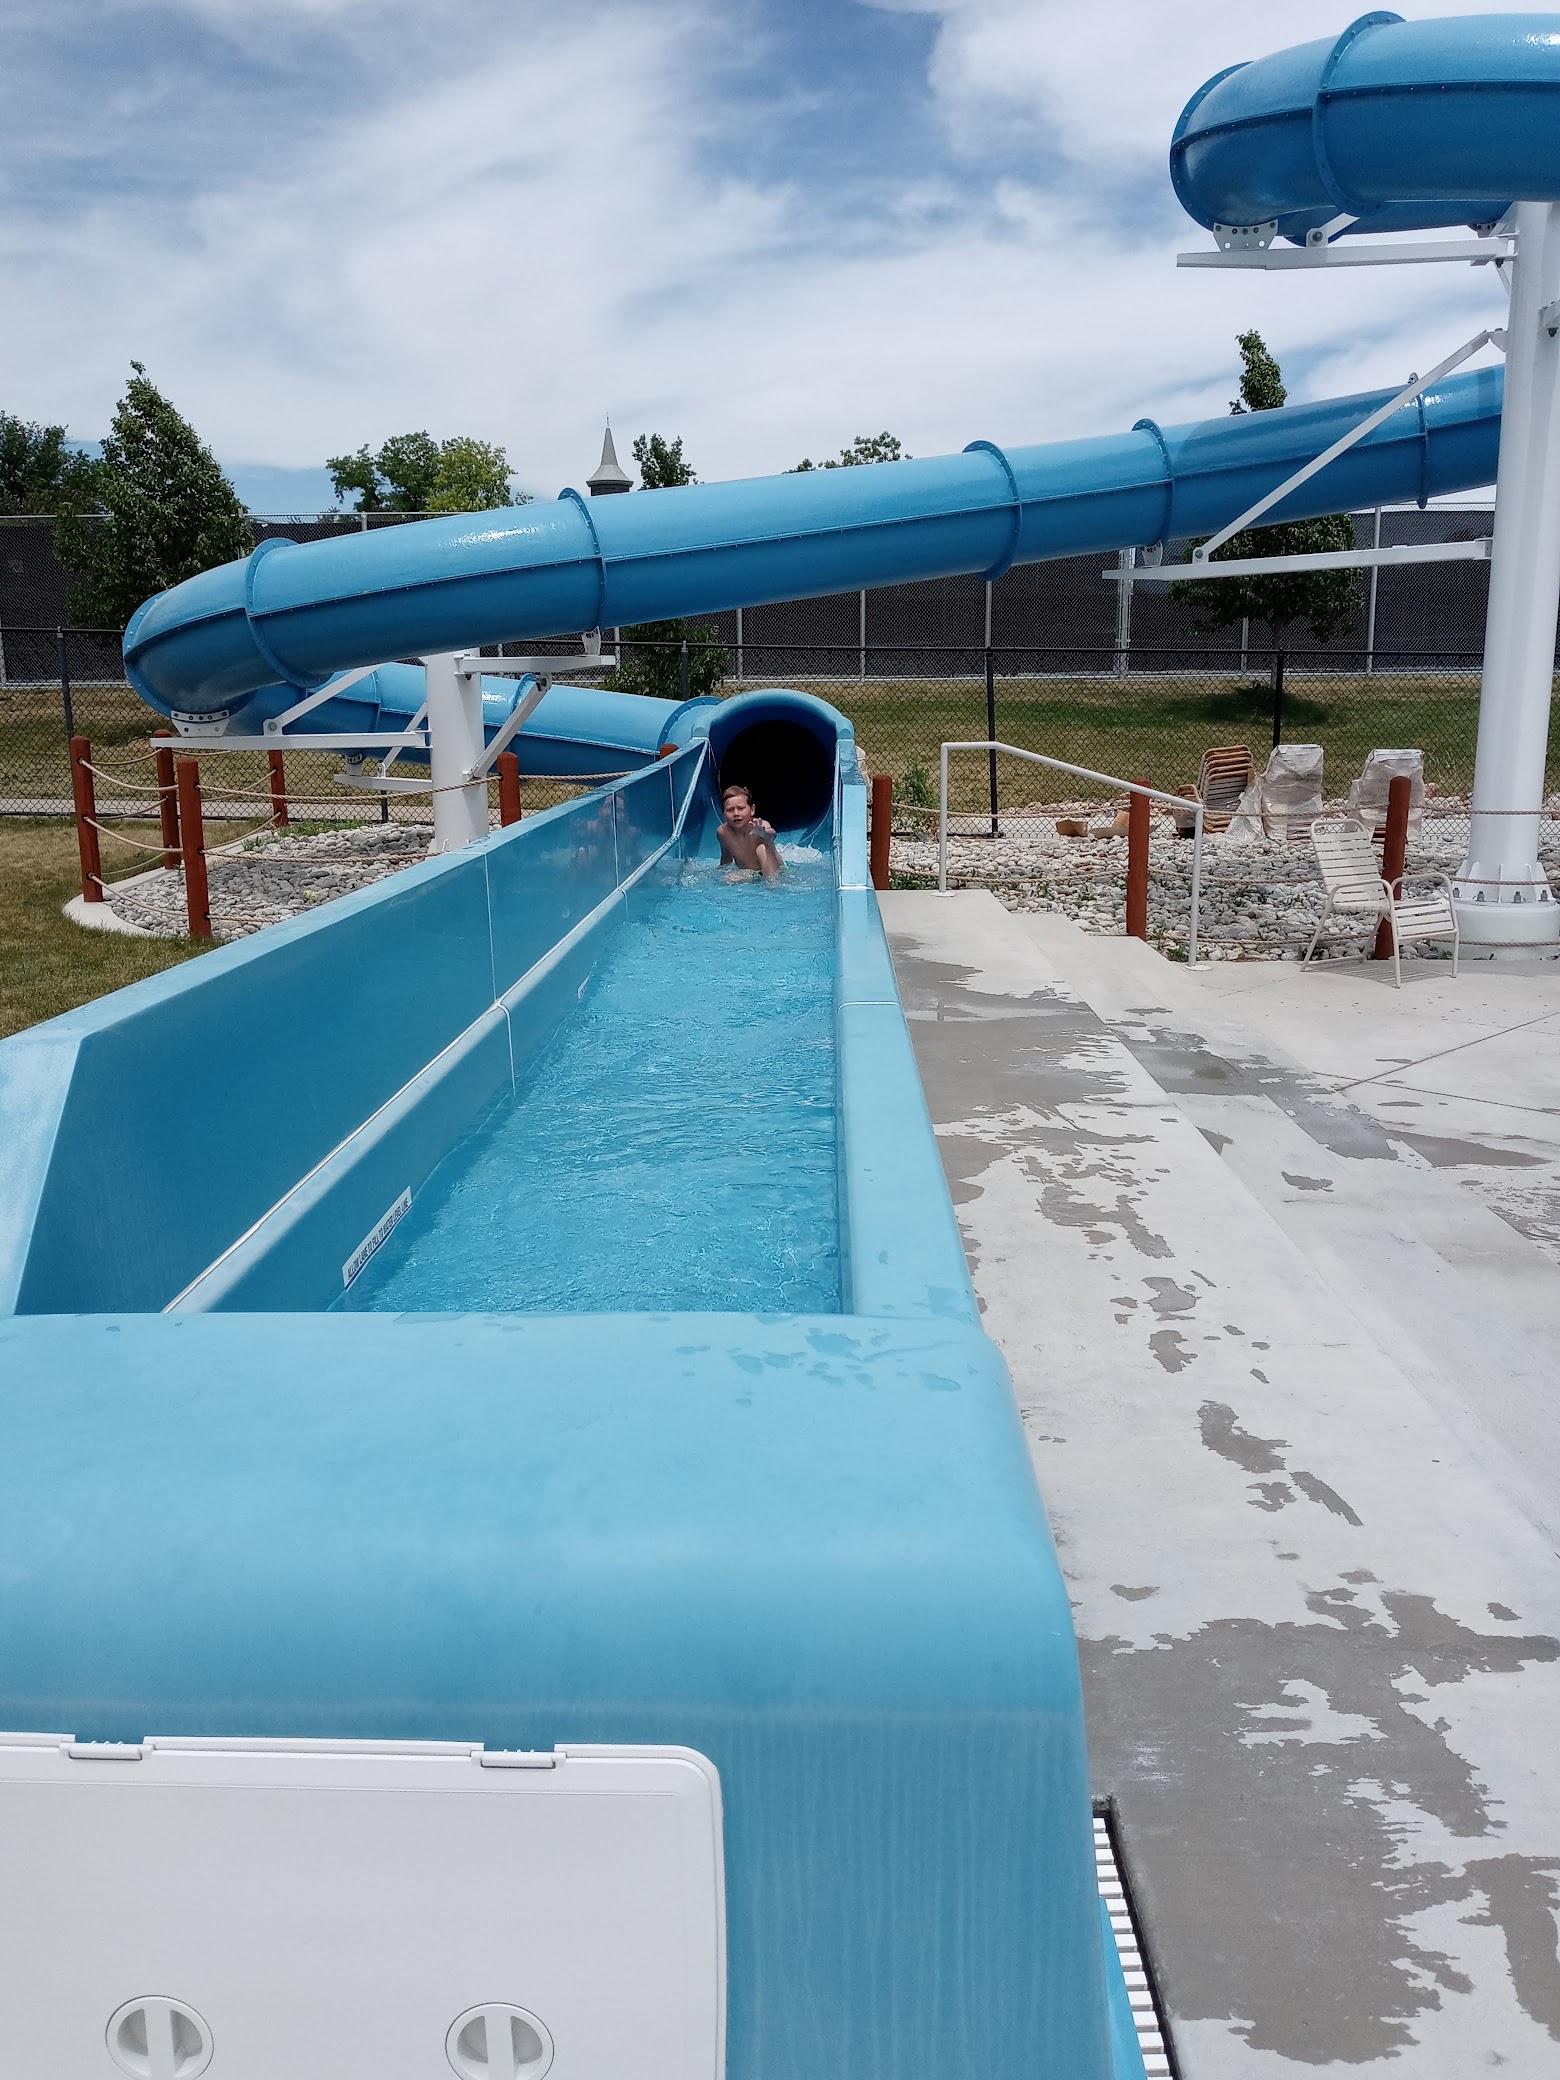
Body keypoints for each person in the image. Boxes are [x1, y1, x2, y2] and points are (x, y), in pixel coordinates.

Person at [717, 782, 783, 880]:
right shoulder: (723, 832)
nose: (736, 813)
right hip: (752, 873)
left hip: (776, 871)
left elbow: (772, 834)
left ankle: (773, 885)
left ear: (752, 810)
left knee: (762, 847)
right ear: (723, 814)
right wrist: (719, 874)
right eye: (730, 810)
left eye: (741, 808)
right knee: (727, 879)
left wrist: (764, 834)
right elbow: (726, 857)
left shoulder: (759, 826)